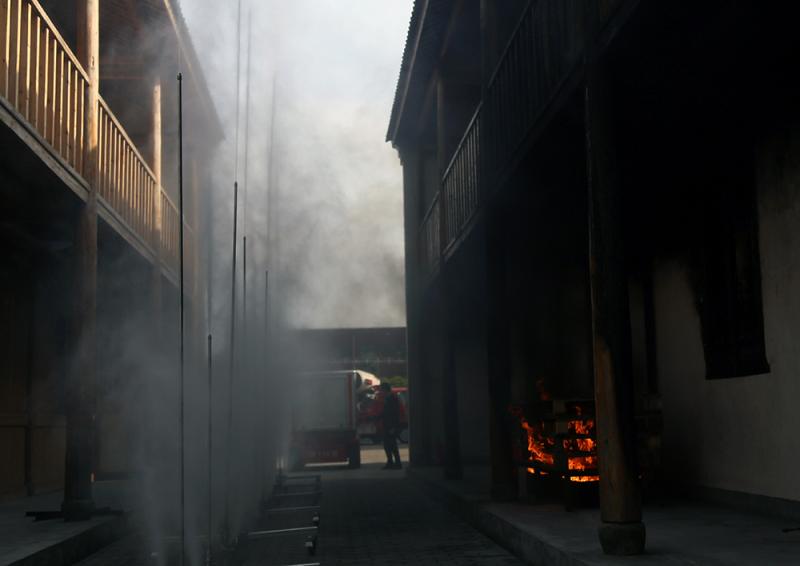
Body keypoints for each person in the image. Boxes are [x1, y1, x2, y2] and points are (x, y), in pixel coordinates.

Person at [379, 382, 402, 469]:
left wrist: (393, 427)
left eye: (381, 389)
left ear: (385, 389)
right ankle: (391, 462)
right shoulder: (388, 398)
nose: (381, 392)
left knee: (392, 445)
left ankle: (397, 463)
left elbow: (394, 413)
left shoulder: (391, 398)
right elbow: (385, 413)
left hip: (390, 426)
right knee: (388, 445)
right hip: (388, 425)